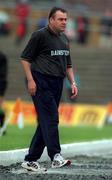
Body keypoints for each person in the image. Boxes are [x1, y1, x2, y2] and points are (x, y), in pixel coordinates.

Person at [20, 7, 78, 172]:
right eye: (60, 19)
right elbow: (25, 59)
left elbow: (68, 65)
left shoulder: (64, 39)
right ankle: (56, 156)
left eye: (65, 19)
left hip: (57, 83)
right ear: (51, 20)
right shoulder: (39, 35)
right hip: (40, 80)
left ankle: (31, 159)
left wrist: (73, 83)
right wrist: (31, 80)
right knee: (51, 118)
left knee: (45, 121)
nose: (64, 22)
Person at [0, 51, 8, 134]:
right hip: (2, 82)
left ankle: (2, 126)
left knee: (0, 105)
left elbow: (3, 73)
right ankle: (3, 126)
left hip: (1, 82)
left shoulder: (2, 56)